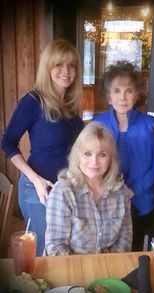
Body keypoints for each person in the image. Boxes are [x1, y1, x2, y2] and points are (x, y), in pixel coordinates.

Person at [1, 39, 84, 256]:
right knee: (43, 255)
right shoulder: (33, 101)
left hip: (65, 190)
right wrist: (35, 180)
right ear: (47, 67)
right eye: (59, 64)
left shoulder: (70, 106)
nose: (66, 71)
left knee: (62, 251)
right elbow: (8, 143)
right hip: (39, 191)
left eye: (71, 65)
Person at [93, 61, 154, 251]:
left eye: (128, 91)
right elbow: (91, 164)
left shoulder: (152, 125)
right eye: (116, 91)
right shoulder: (98, 124)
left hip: (140, 201)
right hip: (106, 200)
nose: (122, 97)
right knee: (106, 250)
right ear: (108, 96)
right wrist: (111, 188)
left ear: (137, 94)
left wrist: (133, 190)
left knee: (135, 250)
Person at [45, 122, 132, 255]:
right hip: (71, 268)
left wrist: (109, 269)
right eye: (87, 154)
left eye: (102, 155)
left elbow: (124, 241)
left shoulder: (121, 192)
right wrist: (87, 270)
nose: (94, 162)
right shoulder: (63, 191)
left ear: (111, 159)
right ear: (77, 156)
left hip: (107, 269)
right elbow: (55, 246)